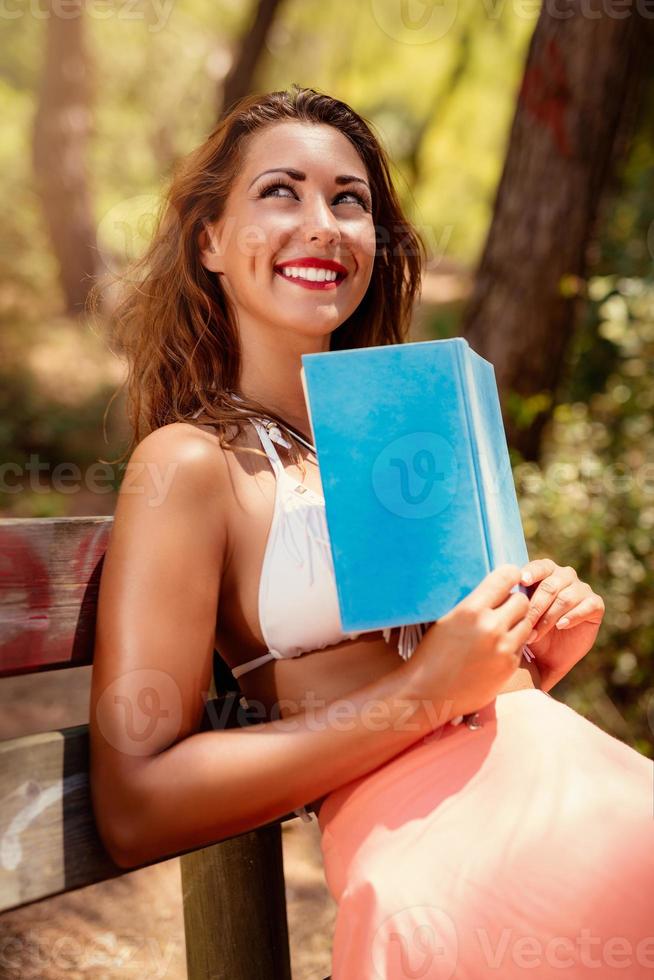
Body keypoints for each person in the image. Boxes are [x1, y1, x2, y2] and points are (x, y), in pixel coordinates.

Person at [88, 85, 654, 978]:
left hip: (572, 784)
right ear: (209, 242)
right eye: (281, 191)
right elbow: (135, 806)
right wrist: (429, 685)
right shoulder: (191, 464)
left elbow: (446, 684)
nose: (324, 224)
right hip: (444, 851)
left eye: (349, 201)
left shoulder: (397, 436)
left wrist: (530, 650)